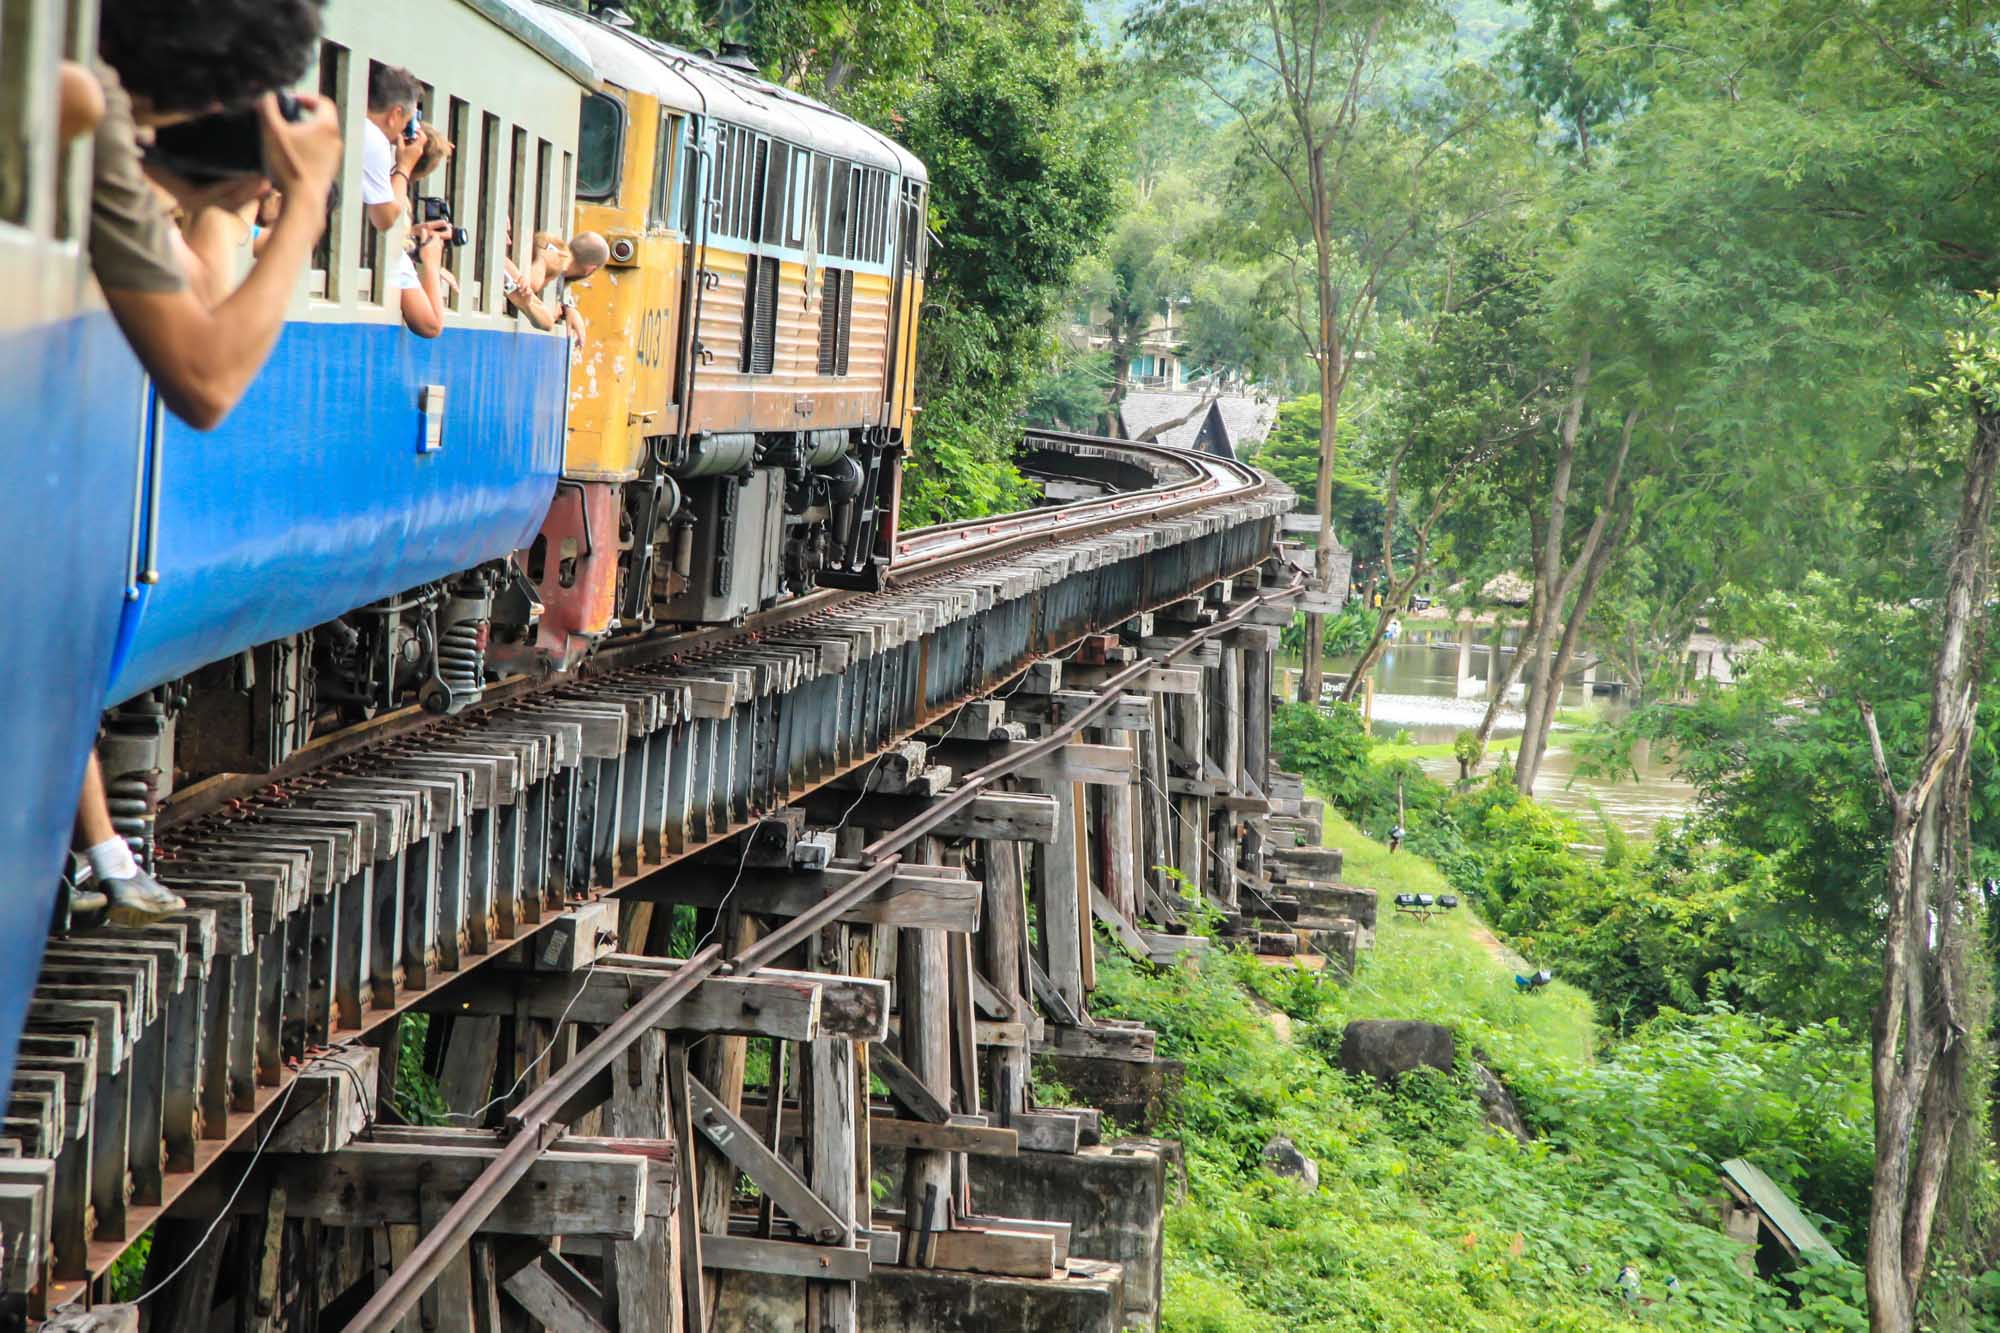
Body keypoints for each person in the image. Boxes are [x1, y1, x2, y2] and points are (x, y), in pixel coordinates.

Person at [74, 0, 341, 922]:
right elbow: (205, 375)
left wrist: (217, 198)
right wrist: (302, 200)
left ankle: (101, 850)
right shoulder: (89, 104)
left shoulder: (92, 107)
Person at [503, 229, 607, 344]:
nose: (508, 242)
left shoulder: (553, 256)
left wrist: (568, 307)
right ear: (590, 269)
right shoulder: (526, 276)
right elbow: (532, 288)